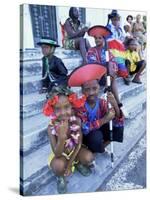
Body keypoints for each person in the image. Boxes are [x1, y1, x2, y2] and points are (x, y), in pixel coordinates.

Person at [43, 86, 94, 194]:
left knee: (89, 158)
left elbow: (79, 144)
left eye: (66, 107)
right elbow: (57, 153)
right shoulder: (51, 127)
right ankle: (60, 177)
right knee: (58, 167)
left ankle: (77, 163)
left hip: (74, 151)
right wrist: (61, 138)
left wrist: (70, 164)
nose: (63, 112)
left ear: (72, 106)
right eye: (57, 109)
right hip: (60, 154)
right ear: (52, 110)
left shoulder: (77, 121)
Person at [68, 64, 124, 153]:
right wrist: (104, 119)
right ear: (82, 91)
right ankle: (97, 149)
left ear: (99, 88)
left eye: (95, 88)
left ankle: (102, 146)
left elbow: (119, 120)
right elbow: (85, 128)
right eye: (87, 89)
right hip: (87, 136)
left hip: (99, 130)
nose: (91, 92)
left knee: (117, 126)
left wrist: (115, 105)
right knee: (95, 137)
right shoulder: (79, 106)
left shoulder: (102, 102)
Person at [87, 25, 122, 106]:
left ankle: (117, 101)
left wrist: (110, 67)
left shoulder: (107, 51)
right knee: (109, 69)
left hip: (108, 76)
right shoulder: (91, 50)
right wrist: (105, 67)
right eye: (95, 38)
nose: (97, 40)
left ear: (104, 39)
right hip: (97, 76)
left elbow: (114, 64)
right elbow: (92, 64)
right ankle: (110, 90)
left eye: (99, 38)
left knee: (110, 67)